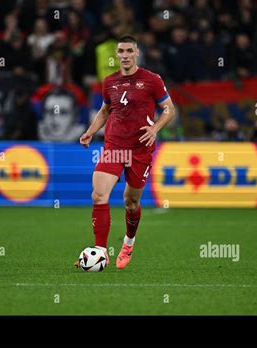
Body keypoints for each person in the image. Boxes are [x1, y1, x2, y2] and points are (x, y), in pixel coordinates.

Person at [76, 35, 176, 270]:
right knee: (98, 195)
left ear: (137, 52)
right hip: (114, 147)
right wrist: (90, 131)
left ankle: (128, 242)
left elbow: (169, 110)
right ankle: (100, 251)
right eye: (121, 51)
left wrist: (155, 129)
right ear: (117, 55)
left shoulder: (152, 80)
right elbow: (104, 110)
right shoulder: (109, 81)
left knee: (131, 203)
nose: (125, 55)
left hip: (140, 149)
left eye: (129, 51)